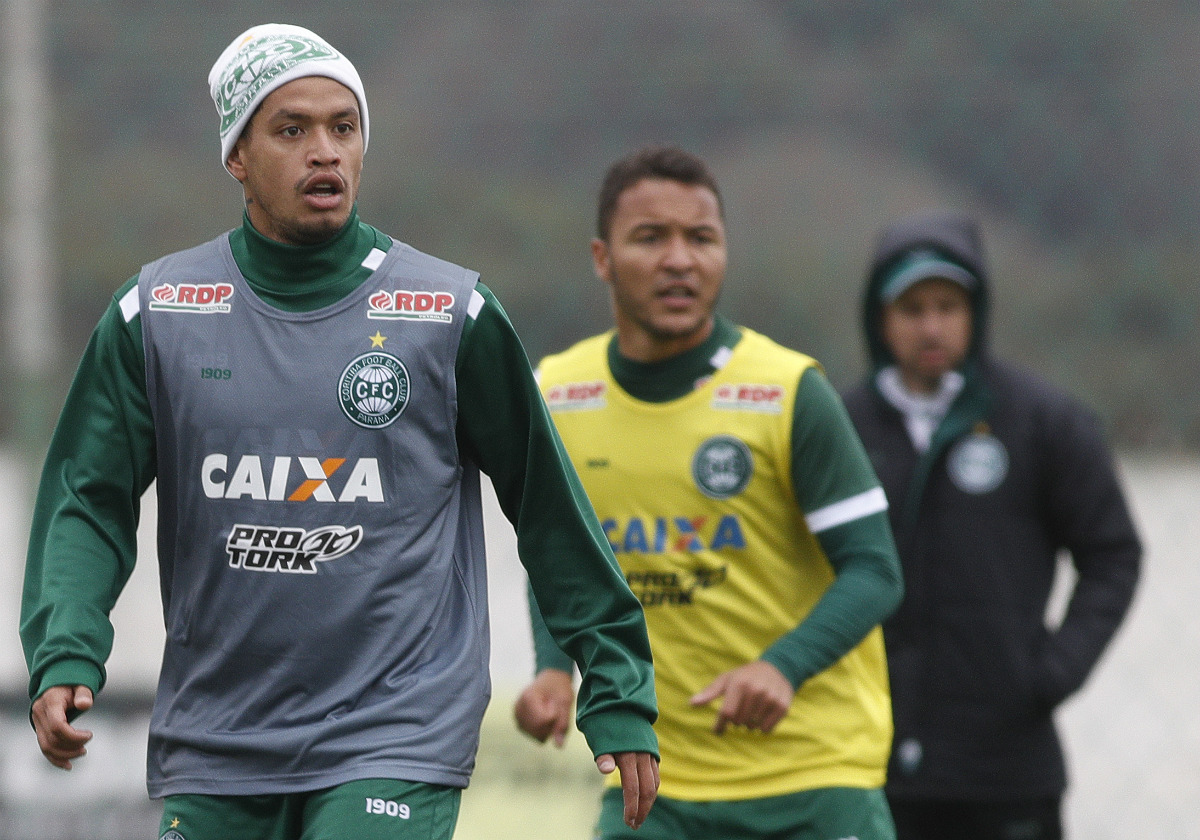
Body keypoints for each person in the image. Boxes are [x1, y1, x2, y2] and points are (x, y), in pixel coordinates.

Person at [20, 24, 660, 840]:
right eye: (291, 130)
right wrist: (66, 646)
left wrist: (616, 684)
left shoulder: (447, 314)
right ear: (237, 156)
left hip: (393, 731)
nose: (324, 151)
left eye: (343, 127)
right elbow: (87, 497)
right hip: (217, 741)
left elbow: (548, 508)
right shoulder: (158, 313)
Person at [513, 144, 904, 840]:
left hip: (812, 777)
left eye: (701, 238)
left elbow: (876, 569)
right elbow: (558, 558)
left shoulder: (787, 391)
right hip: (653, 783)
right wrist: (552, 671)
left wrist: (782, 668)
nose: (680, 260)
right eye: (650, 238)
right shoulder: (558, 394)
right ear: (603, 258)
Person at [841, 209, 1142, 840]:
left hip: (1007, 769)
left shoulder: (1044, 420)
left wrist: (1051, 671)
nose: (931, 325)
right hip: (865, 761)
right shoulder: (837, 425)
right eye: (912, 308)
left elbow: (1113, 554)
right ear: (879, 317)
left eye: (948, 306)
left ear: (976, 313)